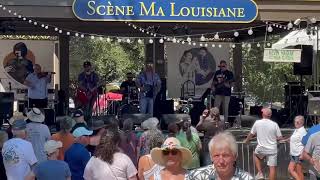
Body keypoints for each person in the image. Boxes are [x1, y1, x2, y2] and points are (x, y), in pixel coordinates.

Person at [188, 132, 253, 179]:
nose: (221, 161)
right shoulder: (195, 176)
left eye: (225, 156)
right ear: (211, 157)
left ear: (235, 156)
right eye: (216, 156)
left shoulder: (246, 178)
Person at [243, 108, 283, 180]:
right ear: (270, 115)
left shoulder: (257, 122)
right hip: (272, 149)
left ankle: (260, 173)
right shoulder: (275, 124)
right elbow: (280, 137)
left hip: (261, 148)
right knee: (272, 168)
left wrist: (246, 140)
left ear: (262, 114)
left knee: (255, 154)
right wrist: (274, 138)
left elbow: (251, 134)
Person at [287, 116, 307, 180]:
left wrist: (302, 154)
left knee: (296, 171)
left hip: (298, 154)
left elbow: (305, 143)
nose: (296, 123)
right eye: (295, 122)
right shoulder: (296, 130)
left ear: (302, 122)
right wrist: (287, 140)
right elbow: (294, 139)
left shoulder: (302, 131)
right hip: (293, 153)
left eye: (297, 122)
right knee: (292, 170)